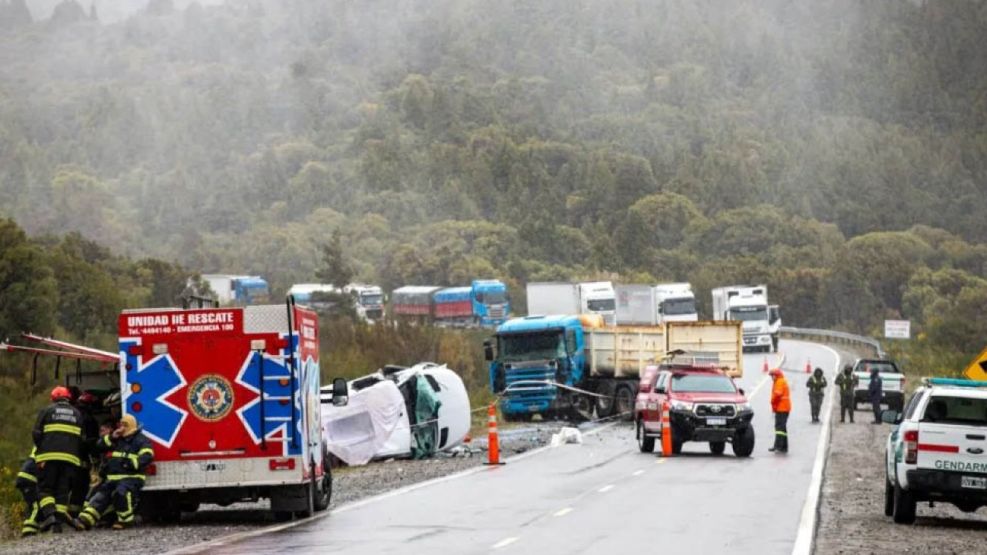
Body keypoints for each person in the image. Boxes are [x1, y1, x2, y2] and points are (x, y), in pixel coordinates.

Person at [78, 415, 154, 530]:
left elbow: (147, 456)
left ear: (131, 426)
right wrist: (112, 437)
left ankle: (125, 521)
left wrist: (129, 463)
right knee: (100, 495)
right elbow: (100, 445)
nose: (122, 427)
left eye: (125, 425)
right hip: (112, 478)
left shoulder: (141, 440)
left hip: (131, 477)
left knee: (121, 493)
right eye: (121, 424)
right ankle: (85, 520)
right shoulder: (117, 438)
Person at [33, 386, 86, 533]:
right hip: (70, 460)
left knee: (45, 489)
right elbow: (82, 439)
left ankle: (49, 515)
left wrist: (42, 447)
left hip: (48, 457)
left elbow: (36, 434)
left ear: (53, 398)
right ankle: (58, 525)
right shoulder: (77, 414)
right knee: (62, 491)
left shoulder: (47, 411)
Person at [69, 392, 100, 518]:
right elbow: (91, 442)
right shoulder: (89, 420)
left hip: (67, 458)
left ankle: (64, 514)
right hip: (81, 460)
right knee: (81, 486)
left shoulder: (71, 416)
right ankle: (76, 513)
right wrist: (96, 458)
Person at [14, 448, 40, 537]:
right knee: (36, 506)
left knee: (31, 505)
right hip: (28, 480)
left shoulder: (39, 447)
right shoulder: (46, 449)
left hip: (25, 479)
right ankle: (28, 531)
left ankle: (31, 529)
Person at [768, 369, 791, 453]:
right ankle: (783, 447)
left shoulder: (779, 382)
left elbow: (777, 394)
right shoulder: (780, 381)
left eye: (772, 376)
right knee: (782, 428)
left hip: (782, 408)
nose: (771, 377)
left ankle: (779, 446)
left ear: (776, 375)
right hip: (783, 408)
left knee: (779, 428)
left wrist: (772, 402)